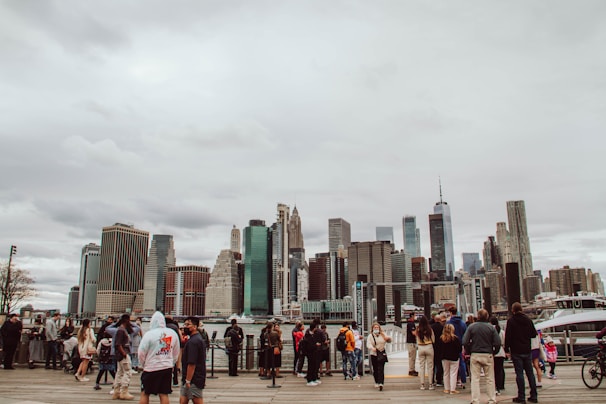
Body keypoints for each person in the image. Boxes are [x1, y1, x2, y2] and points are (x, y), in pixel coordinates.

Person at [138, 311, 180, 404]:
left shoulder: (149, 334)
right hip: (167, 367)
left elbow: (141, 352)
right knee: (164, 393)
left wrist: (143, 363)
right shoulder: (172, 333)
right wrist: (172, 362)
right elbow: (176, 351)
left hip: (151, 367)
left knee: (145, 392)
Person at [462, 309, 501, 404]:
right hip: (488, 354)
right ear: (487, 317)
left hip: (475, 354)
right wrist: (494, 352)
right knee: (490, 378)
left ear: (478, 316)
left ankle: (475, 400)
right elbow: (497, 342)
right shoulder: (491, 328)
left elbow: (465, 341)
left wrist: (469, 351)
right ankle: (492, 399)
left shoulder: (471, 327)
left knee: (475, 379)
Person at [505, 302, 538, 404]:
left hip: (516, 351)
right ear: (522, 309)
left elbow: (508, 337)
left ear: (513, 310)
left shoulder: (511, 321)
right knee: (530, 373)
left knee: (519, 374)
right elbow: (533, 334)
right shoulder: (528, 320)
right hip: (527, 350)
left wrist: (506, 349)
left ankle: (521, 397)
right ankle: (534, 395)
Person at [180, 316, 206, 404]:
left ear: (195, 327)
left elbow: (192, 363)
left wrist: (188, 380)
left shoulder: (193, 342)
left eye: (188, 324)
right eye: (185, 324)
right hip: (190, 378)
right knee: (183, 400)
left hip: (193, 379)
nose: (185, 327)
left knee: (197, 400)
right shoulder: (197, 339)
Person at [113, 314, 135, 400]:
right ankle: (124, 391)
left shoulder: (121, 330)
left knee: (120, 372)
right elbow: (118, 344)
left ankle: (117, 391)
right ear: (126, 320)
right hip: (123, 354)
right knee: (128, 371)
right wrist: (124, 354)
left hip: (120, 354)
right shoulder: (121, 330)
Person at [367, 322, 391, 391]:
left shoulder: (383, 334)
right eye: (375, 328)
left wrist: (387, 338)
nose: (376, 329)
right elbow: (368, 344)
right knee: (375, 368)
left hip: (381, 352)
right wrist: (372, 348)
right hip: (374, 353)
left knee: (381, 368)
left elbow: (389, 340)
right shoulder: (370, 336)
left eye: (377, 328)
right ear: (372, 329)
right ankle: (376, 381)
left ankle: (381, 383)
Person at [447, 306, 468, 388]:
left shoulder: (448, 323)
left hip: (451, 344)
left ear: (451, 313)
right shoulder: (462, 323)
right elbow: (466, 333)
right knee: (461, 362)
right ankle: (463, 379)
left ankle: (452, 380)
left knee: (451, 364)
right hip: (461, 344)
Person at [438, 323, 462, 395]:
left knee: (446, 373)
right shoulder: (455, 338)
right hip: (454, 358)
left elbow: (439, 349)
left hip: (444, 358)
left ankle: (446, 389)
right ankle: (452, 389)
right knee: (453, 373)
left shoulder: (441, 338)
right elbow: (459, 349)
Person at [416, 315, 435, 391]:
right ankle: (430, 384)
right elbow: (433, 339)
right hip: (429, 346)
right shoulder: (429, 329)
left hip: (421, 347)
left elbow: (416, 338)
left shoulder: (418, 329)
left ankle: (422, 384)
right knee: (430, 367)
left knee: (422, 367)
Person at [165, 315, 183, 386]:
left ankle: (166, 381)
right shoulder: (175, 327)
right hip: (174, 346)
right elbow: (179, 338)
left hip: (165, 346)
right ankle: (175, 381)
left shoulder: (164, 327)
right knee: (174, 364)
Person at [490, 316, 506, 395]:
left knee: (493, 370)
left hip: (492, 352)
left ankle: (495, 385)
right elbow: (504, 342)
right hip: (501, 351)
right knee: (500, 370)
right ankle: (501, 385)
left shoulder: (490, 330)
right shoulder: (502, 331)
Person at [305, 319, 322, 386]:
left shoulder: (311, 334)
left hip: (314, 352)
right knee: (311, 366)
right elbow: (309, 344)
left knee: (314, 366)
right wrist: (316, 344)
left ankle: (314, 378)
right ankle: (309, 380)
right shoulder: (308, 335)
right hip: (310, 352)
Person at [431, 313, 446, 387]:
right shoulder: (442, 327)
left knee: (432, 364)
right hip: (440, 347)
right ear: (440, 320)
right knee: (439, 364)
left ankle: (432, 380)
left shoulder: (431, 327)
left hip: (433, 347)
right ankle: (439, 380)